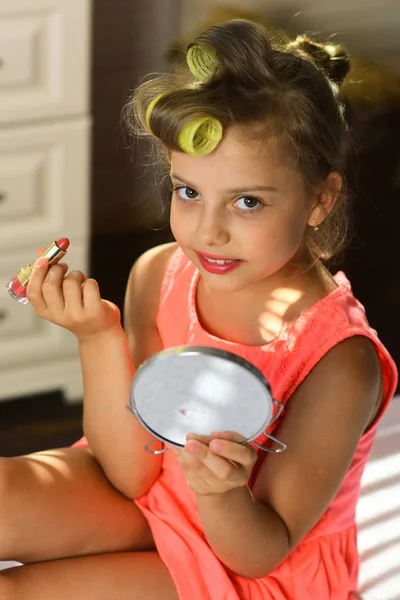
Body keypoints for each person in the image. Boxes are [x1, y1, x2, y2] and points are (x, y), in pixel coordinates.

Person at [0, 19, 397, 600]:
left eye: (247, 202)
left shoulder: (339, 362)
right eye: (188, 192)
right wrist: (98, 336)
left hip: (245, 556)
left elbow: (261, 554)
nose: (208, 232)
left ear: (320, 200)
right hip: (151, 493)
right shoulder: (159, 272)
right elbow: (129, 470)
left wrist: (221, 491)